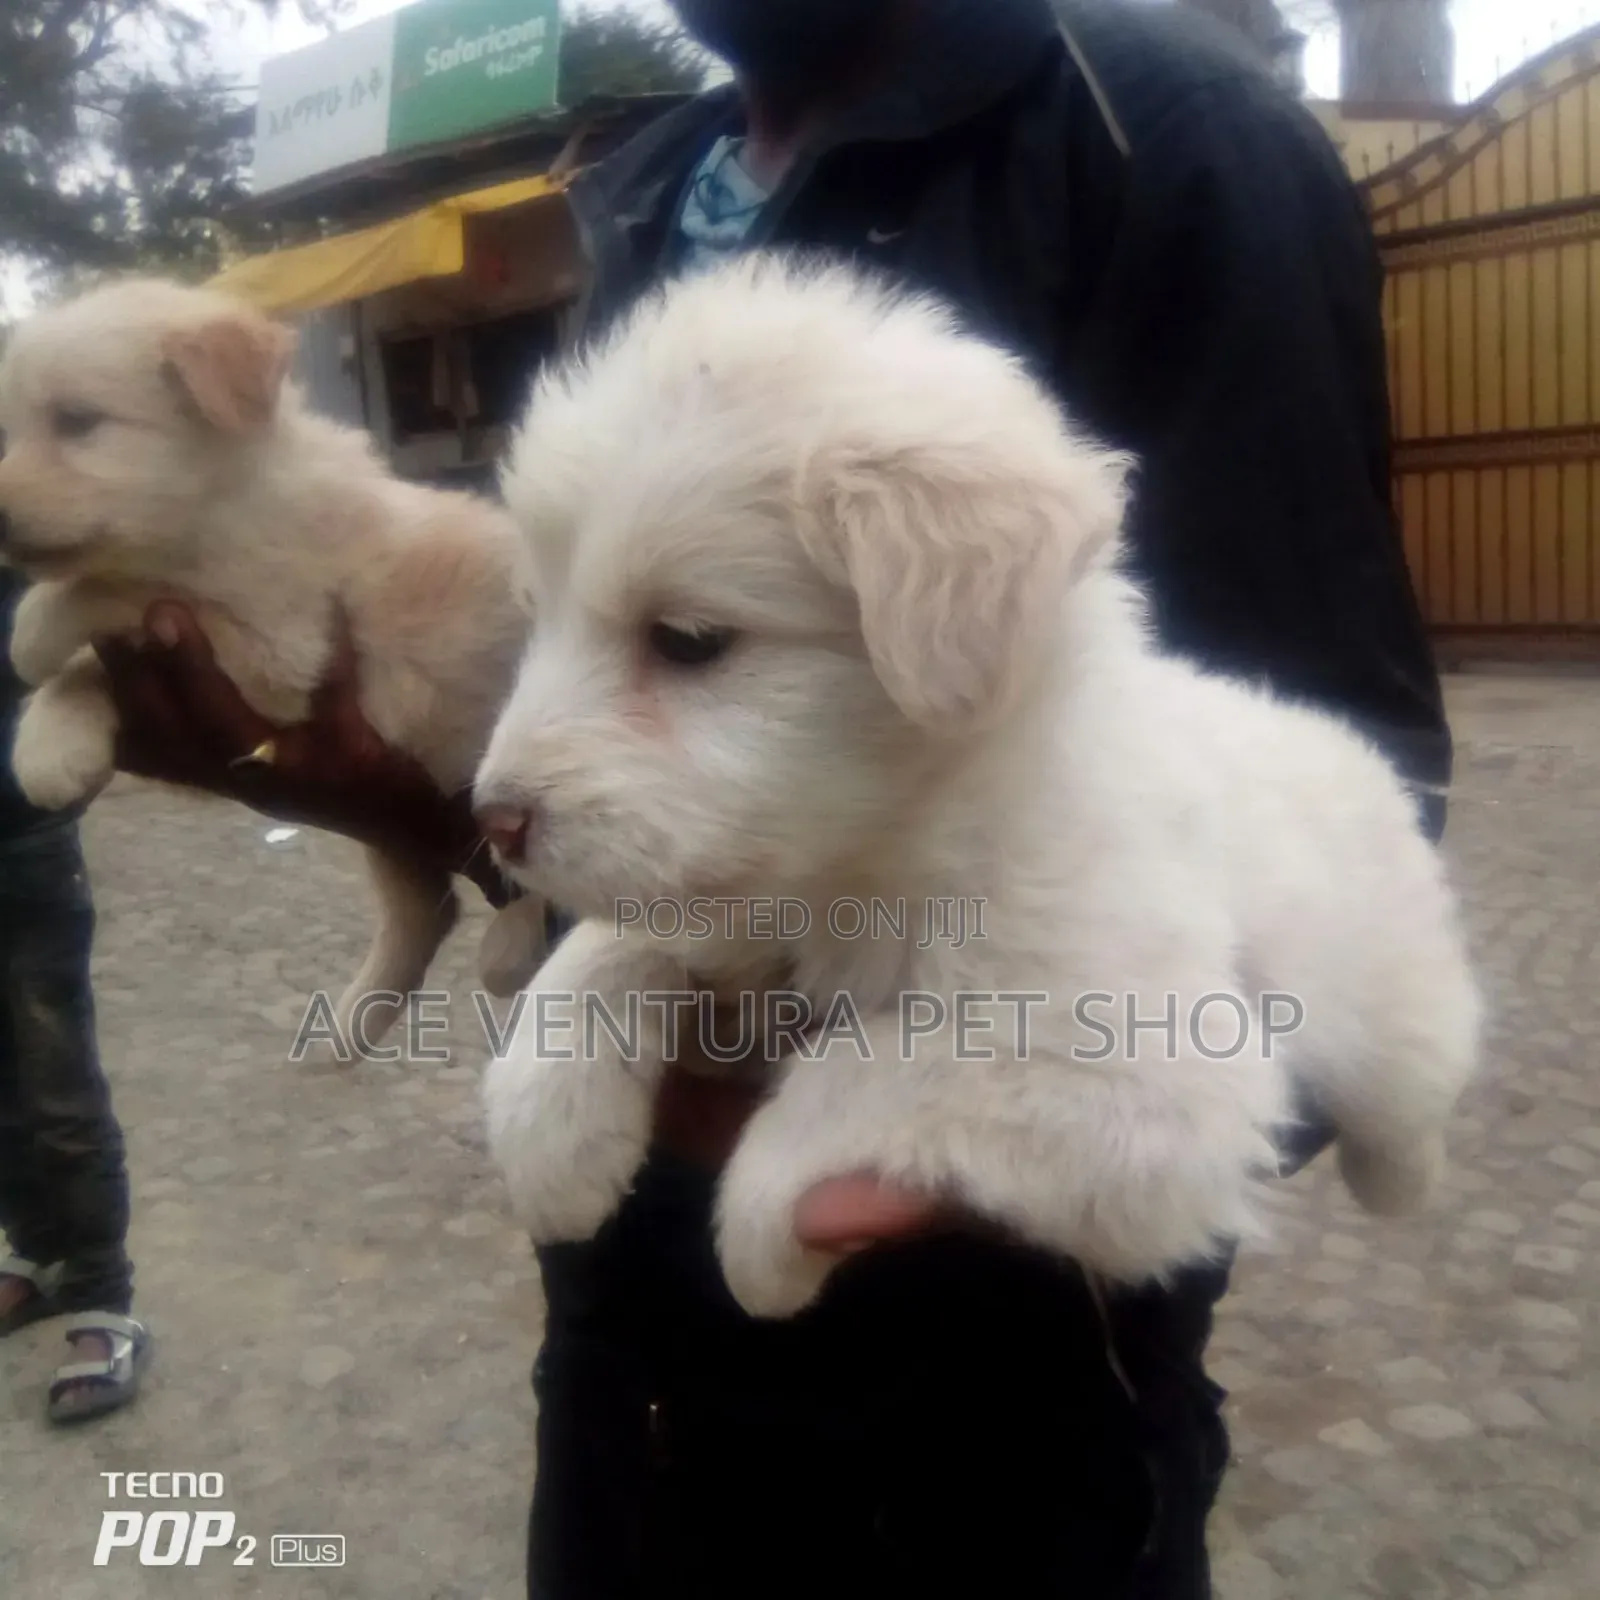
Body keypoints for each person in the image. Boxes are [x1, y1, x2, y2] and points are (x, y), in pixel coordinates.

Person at [96, 0, 1453, 1591]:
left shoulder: (1170, 140)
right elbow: (651, 782)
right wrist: (422, 821)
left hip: (1010, 1386)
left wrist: (951, 1099)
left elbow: (1314, 816)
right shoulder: (646, 176)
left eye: (686, 637)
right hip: (635, 1338)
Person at [0, 566, 150, 1423]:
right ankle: (38, 1254)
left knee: (58, 1089)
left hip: (21, 844)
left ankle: (102, 1298)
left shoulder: (20, 516)